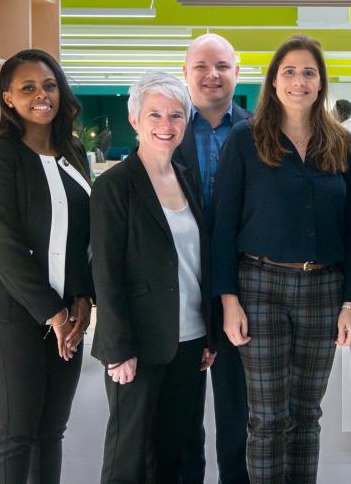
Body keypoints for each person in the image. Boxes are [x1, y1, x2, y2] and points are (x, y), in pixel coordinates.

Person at [211, 35, 351, 484]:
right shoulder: (245, 139)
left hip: (324, 290)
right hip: (259, 287)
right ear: (274, 83)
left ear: (321, 84)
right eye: (290, 72)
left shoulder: (340, 143)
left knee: (306, 414)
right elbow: (223, 225)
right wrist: (228, 300)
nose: (300, 81)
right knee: (268, 418)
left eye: (309, 72)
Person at [0, 49, 93, 484]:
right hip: (9, 314)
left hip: (66, 313)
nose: (42, 95)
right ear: (8, 99)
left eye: (50, 85)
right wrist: (53, 313)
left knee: (50, 433)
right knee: (16, 435)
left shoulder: (74, 152)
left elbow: (83, 236)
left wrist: (81, 297)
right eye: (28, 88)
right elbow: (3, 244)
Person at [91, 71, 216, 484]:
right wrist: (117, 348)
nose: (167, 126)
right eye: (156, 115)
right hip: (138, 345)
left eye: (177, 116)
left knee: (175, 450)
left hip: (189, 338)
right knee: (129, 456)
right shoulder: (115, 185)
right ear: (135, 120)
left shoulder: (186, 177)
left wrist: (209, 333)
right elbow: (105, 272)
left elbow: (198, 260)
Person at [175, 32, 251, 484]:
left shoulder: (260, 131)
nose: (212, 75)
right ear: (186, 73)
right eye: (201, 66)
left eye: (222, 65)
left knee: (236, 407)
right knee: (183, 408)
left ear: (236, 73)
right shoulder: (168, 128)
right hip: (180, 284)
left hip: (240, 287)